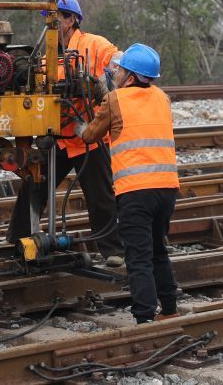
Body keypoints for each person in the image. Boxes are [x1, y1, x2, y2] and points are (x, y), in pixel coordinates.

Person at [5, 0, 126, 266]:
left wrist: (101, 84)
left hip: (89, 136)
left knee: (101, 198)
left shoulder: (93, 44)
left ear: (71, 19)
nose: (50, 24)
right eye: (47, 19)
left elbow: (121, 64)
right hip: (56, 137)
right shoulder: (45, 54)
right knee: (32, 186)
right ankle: (17, 240)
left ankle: (114, 252)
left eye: (55, 18)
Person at [76, 43, 180, 324]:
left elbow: (90, 136)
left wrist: (78, 126)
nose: (116, 73)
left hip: (136, 192)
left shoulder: (115, 100)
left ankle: (144, 317)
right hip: (167, 189)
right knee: (158, 250)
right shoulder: (162, 98)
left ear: (131, 75)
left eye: (121, 69)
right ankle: (169, 309)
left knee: (138, 257)